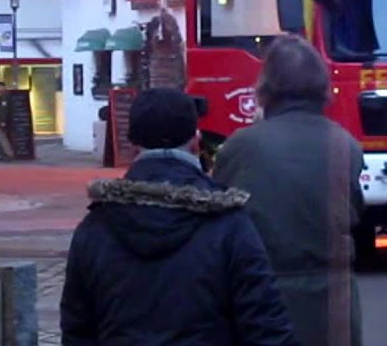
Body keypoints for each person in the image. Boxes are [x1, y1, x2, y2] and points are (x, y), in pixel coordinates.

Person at [60, 88, 298, 346]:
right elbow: (265, 326)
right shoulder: (228, 222)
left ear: (132, 146)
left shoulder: (96, 226)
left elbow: (77, 329)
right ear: (196, 142)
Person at [213, 34, 365, 346]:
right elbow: (354, 211)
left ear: (267, 87)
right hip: (335, 300)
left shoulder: (241, 146)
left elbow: (219, 218)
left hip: (262, 296)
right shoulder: (344, 144)